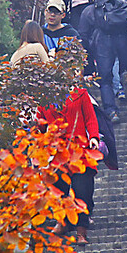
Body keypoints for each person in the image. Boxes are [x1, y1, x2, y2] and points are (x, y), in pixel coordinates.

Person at [41, 85, 100, 244]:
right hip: (57, 153)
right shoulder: (43, 96)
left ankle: (82, 231)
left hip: (79, 150)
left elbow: (90, 118)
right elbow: (40, 124)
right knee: (58, 188)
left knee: (82, 191)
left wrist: (93, 136)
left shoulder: (80, 94)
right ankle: (62, 221)